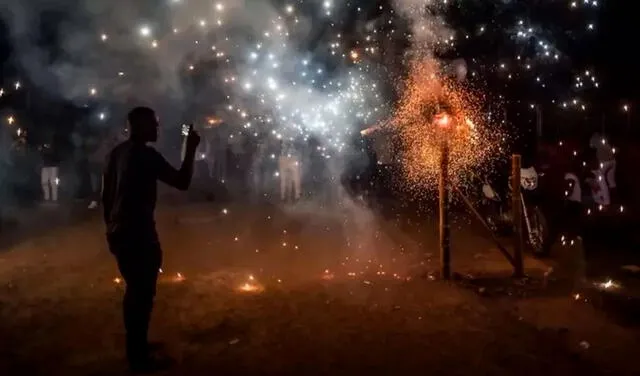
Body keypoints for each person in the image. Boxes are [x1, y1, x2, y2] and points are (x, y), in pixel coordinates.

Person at [102, 107, 200, 373]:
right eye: (154, 124)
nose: (158, 129)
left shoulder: (117, 153)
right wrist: (191, 148)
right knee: (141, 294)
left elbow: (106, 196)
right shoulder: (145, 155)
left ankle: (138, 346)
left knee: (136, 291)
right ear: (142, 126)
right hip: (138, 234)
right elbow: (182, 181)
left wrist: (110, 228)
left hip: (120, 233)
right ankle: (138, 358)